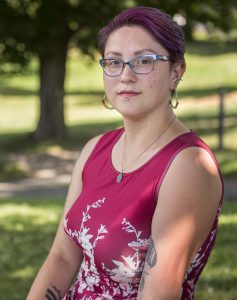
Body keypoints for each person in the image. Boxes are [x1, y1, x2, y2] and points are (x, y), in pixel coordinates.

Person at [27, 6, 224, 300]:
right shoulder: (95, 149)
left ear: (176, 71)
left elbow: (158, 294)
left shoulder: (188, 165)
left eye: (144, 61)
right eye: (114, 62)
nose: (126, 76)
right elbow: (62, 257)